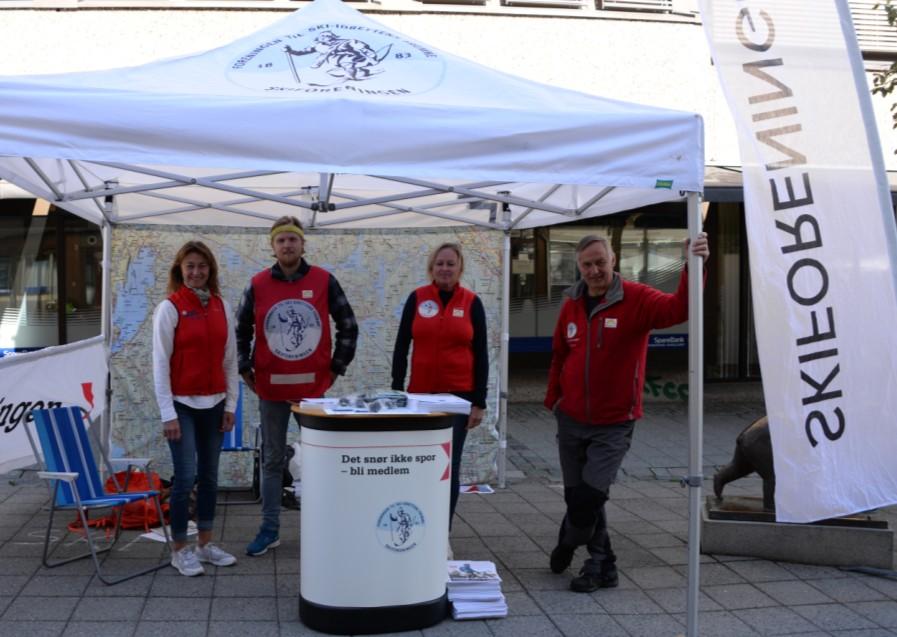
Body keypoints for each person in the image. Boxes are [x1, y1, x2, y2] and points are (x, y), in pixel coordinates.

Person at [544, 232, 709, 593]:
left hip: (614, 422)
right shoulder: (571, 302)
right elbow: (559, 353)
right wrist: (554, 399)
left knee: (590, 495)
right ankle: (604, 564)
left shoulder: (636, 299)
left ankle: (572, 545)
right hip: (571, 418)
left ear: (613, 259)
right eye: (587, 264)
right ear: (579, 266)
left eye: (600, 262)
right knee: (580, 497)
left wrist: (693, 264)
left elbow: (679, 308)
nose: (594, 270)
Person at [236, 215, 358, 556]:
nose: (287, 245)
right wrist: (245, 367)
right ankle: (269, 529)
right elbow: (241, 331)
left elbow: (348, 325)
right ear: (272, 247)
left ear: (303, 244)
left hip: (312, 391)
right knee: (273, 461)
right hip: (271, 391)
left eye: (293, 239)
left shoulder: (323, 281)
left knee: (320, 460)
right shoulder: (257, 284)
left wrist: (336, 369)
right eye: (281, 240)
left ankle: (325, 528)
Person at [391, 242, 487, 556]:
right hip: (420, 397)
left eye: (451, 264)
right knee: (419, 465)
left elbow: (482, 355)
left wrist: (479, 402)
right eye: (440, 264)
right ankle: (418, 526)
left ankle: (441, 534)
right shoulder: (417, 299)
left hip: (457, 398)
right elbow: (402, 345)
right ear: (432, 268)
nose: (445, 269)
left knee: (449, 465)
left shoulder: (472, 302)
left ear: (460, 269)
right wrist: (397, 391)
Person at [152, 240, 239, 577]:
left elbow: (230, 361)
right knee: (185, 478)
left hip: (215, 404)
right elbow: (160, 364)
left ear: (210, 271)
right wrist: (167, 414)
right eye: (189, 266)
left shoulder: (222, 306)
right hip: (182, 406)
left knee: (210, 478)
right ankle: (180, 550)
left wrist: (230, 405)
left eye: (202, 266)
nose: (196, 272)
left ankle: (204, 545)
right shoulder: (170, 308)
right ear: (180, 270)